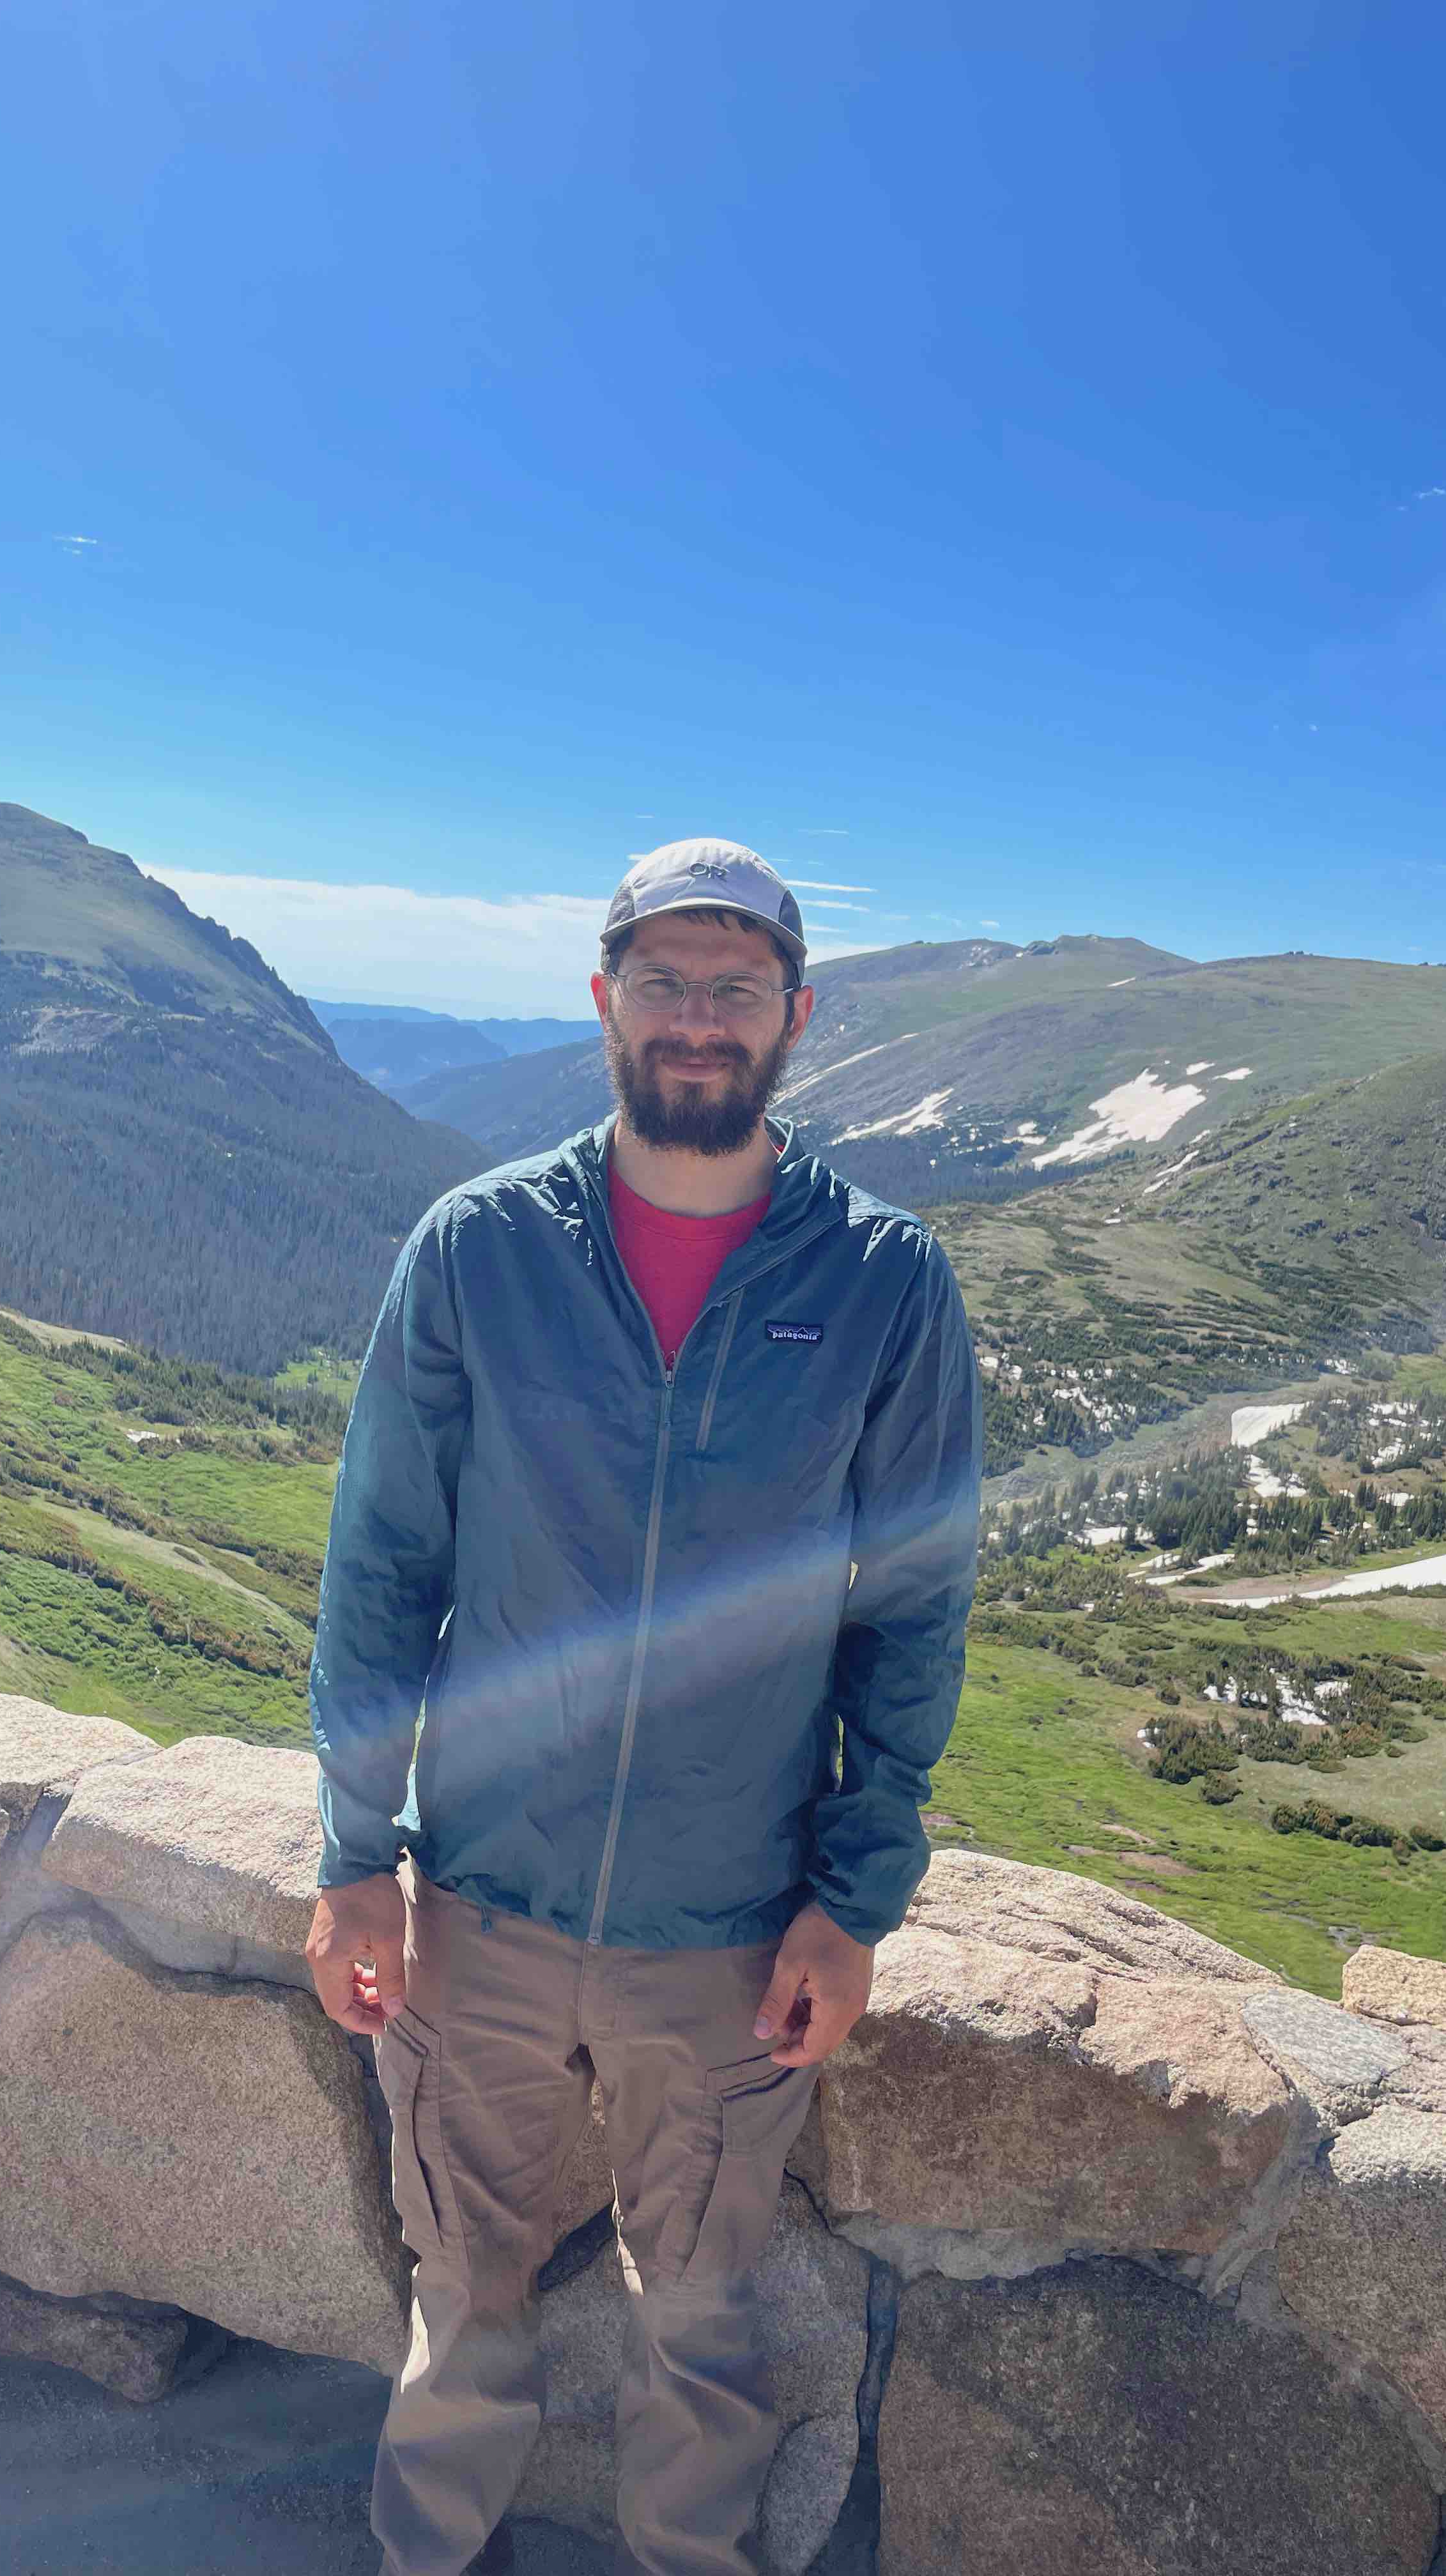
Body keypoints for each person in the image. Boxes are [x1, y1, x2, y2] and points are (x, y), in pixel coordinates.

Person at [305, 838, 981, 2576]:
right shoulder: (478, 1250)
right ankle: (423, 2558)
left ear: (795, 1016)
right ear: (606, 1000)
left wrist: (854, 1897)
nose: (698, 1020)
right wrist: (354, 1847)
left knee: (706, 2324)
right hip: (478, 1903)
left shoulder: (885, 1282)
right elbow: (383, 1562)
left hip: (729, 1924)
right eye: (665, 983)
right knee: (463, 2298)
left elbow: (910, 1612)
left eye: (734, 987)